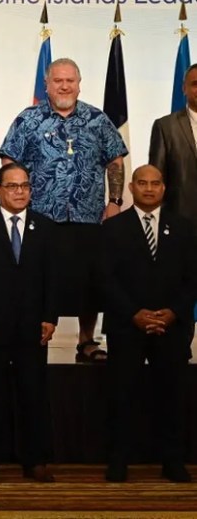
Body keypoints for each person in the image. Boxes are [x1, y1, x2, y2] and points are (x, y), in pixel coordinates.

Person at [0, 58, 127, 363]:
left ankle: (86, 340)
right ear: (47, 85)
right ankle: (34, 337)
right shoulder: (28, 119)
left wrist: (115, 201)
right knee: (37, 280)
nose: (65, 86)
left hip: (88, 216)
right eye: (58, 80)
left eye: (70, 80)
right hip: (40, 217)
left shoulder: (97, 119)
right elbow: (9, 160)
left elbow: (115, 160)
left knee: (89, 282)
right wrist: (16, 199)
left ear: (79, 84)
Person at [0, 162, 57, 484]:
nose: (20, 192)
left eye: (25, 186)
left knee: (34, 393)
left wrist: (50, 317)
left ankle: (36, 460)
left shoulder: (45, 227)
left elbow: (52, 278)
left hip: (33, 326)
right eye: (13, 186)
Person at [102, 165, 197, 483]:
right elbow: (104, 278)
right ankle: (118, 461)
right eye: (142, 183)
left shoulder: (183, 227)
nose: (149, 188)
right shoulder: (113, 228)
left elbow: (192, 278)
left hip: (172, 326)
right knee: (121, 396)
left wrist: (173, 312)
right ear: (131, 187)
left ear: (164, 188)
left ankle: (173, 461)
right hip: (126, 326)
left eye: (155, 183)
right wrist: (134, 314)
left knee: (172, 396)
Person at [150, 62, 197, 235]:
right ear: (184, 88)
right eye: (195, 84)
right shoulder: (165, 126)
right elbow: (156, 178)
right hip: (180, 223)